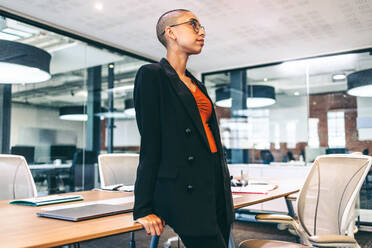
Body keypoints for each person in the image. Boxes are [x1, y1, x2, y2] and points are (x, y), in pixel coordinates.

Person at [133, 9, 234, 248]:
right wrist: (143, 207)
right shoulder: (151, 75)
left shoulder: (196, 83)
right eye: (194, 25)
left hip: (214, 180)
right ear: (171, 33)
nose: (202, 32)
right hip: (183, 189)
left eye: (201, 26)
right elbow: (150, 144)